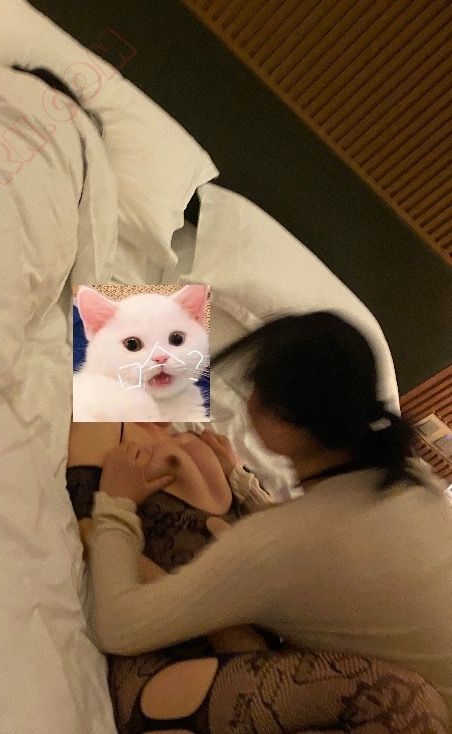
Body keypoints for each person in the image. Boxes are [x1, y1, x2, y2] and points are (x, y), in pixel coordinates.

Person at [82, 311, 452, 733]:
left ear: (284, 423)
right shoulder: (413, 480)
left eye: (256, 392)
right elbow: (323, 546)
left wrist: (114, 507)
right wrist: (243, 482)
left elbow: (119, 627)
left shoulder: (280, 543)